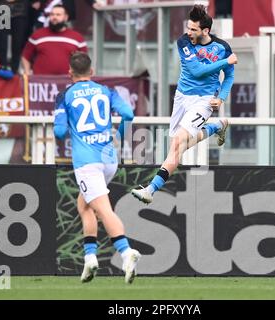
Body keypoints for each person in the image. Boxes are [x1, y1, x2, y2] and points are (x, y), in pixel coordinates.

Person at [131, 4, 237, 204]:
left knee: (178, 142)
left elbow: (229, 76)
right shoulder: (184, 42)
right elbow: (197, 71)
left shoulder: (222, 47)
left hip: (204, 100)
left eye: (193, 29)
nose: (189, 32)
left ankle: (150, 190)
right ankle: (216, 126)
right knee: (178, 146)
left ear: (206, 31)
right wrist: (226, 62)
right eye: (188, 27)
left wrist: (221, 97)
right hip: (181, 98)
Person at [53, 52, 140, 284]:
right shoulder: (106, 90)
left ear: (69, 73)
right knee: (84, 205)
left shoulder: (64, 96)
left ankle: (126, 251)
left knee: (102, 209)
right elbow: (128, 114)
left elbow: (60, 132)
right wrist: (118, 137)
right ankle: (90, 257)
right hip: (109, 157)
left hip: (86, 161)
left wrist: (67, 128)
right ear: (92, 72)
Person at [21, 4, 88, 75]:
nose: (54, 17)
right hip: (41, 82)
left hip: (68, 82)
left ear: (66, 17)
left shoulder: (77, 38)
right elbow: (26, 56)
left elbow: (85, 61)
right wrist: (27, 72)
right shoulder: (37, 35)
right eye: (52, 14)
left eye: (58, 15)